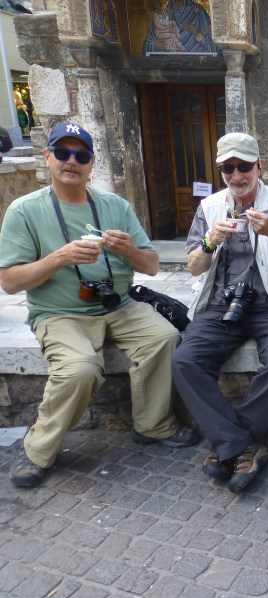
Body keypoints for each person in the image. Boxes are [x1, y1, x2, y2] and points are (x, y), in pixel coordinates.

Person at [0, 122, 199, 488]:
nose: (71, 161)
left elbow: (152, 266)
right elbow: (10, 282)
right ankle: (37, 450)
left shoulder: (114, 206)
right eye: (62, 153)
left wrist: (127, 249)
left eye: (81, 155)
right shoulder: (24, 210)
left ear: (91, 163)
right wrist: (59, 258)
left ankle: (153, 425)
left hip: (119, 305)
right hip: (60, 313)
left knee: (164, 338)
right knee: (80, 369)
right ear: (47, 158)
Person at [172, 132, 268, 493]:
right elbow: (193, 267)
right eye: (228, 169)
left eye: (244, 167)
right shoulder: (210, 207)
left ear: (259, 166)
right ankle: (241, 446)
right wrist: (209, 242)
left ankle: (229, 446)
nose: (237, 176)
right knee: (185, 360)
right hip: (222, 304)